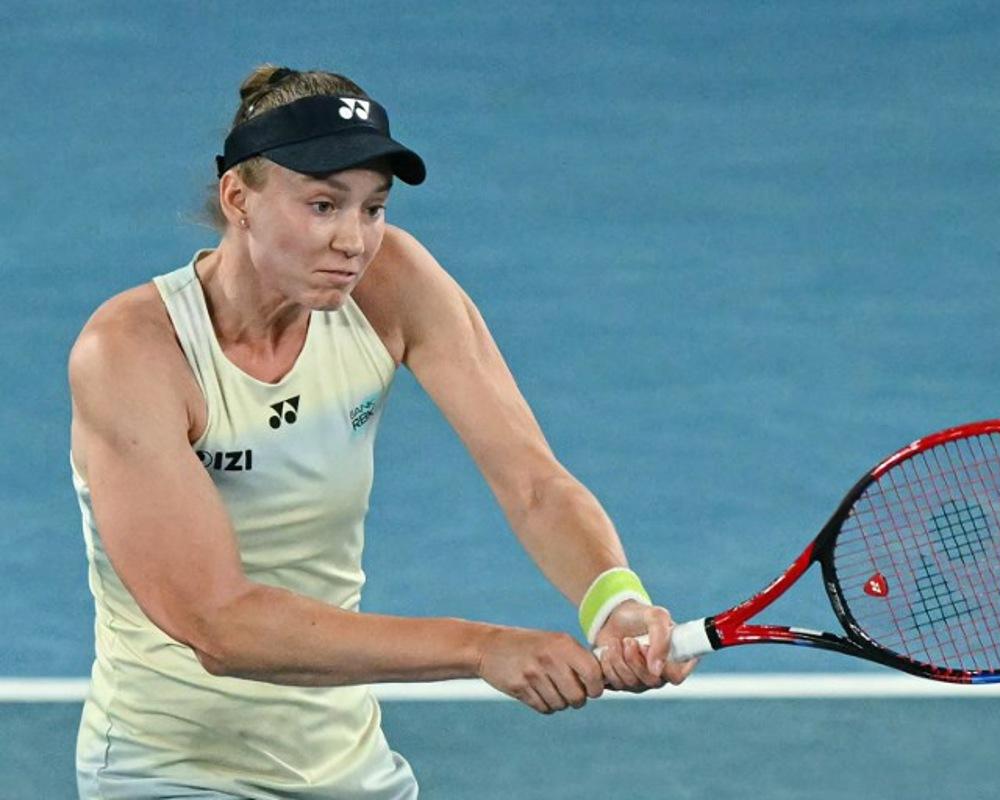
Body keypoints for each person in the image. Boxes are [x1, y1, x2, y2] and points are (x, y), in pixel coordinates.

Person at [69, 64, 695, 799]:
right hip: (170, 771)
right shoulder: (133, 352)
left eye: (373, 208)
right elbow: (219, 625)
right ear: (239, 197)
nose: (354, 240)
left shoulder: (389, 282)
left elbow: (531, 481)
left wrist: (611, 599)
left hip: (345, 764)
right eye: (323, 205)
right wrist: (482, 649)